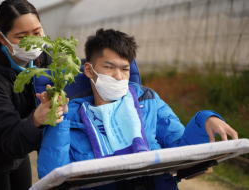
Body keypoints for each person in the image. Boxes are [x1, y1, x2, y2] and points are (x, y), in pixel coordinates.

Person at [37, 28, 239, 190]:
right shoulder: (70, 114)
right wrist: (59, 120)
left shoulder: (148, 101)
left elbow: (182, 149)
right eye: (109, 67)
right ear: (89, 70)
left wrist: (205, 120)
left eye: (124, 68)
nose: (118, 76)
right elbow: (51, 176)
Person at [0, 0, 66, 190]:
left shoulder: (43, 59)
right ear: (2, 39)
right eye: (22, 36)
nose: (34, 42)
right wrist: (36, 119)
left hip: (17, 153)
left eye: (37, 32)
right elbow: (10, 139)